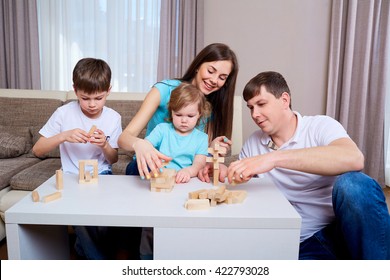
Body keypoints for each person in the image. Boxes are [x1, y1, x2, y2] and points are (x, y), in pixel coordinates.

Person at [226, 71, 390, 259]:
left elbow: (354, 158)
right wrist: (221, 170)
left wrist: (273, 158)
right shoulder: (254, 142)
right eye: (251, 108)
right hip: (303, 242)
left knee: (353, 183)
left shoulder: (320, 126)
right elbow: (240, 182)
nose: (255, 114)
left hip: (341, 229)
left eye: (261, 104)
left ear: (284, 100)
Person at [32, 58, 140, 259]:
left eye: (98, 98)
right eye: (85, 98)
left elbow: (114, 159)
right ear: (75, 91)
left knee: (106, 215)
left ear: (108, 90)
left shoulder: (113, 117)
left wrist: (104, 145)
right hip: (72, 175)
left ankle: (90, 250)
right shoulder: (63, 114)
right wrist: (63, 135)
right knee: (80, 214)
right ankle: (96, 261)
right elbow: (37, 150)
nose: (92, 104)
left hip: (102, 173)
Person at [118, 43, 238, 180]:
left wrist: (212, 147)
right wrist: (140, 144)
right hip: (152, 166)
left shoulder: (209, 105)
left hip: (182, 173)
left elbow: (200, 154)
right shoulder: (163, 90)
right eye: (211, 71)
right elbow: (123, 138)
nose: (214, 80)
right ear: (198, 66)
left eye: (222, 78)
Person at [146, 82, 211, 183]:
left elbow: (199, 164)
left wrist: (188, 172)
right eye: (179, 115)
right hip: (161, 175)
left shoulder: (201, 138)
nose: (184, 120)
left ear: (199, 114)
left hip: (185, 179)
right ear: (171, 112)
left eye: (190, 116)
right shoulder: (162, 129)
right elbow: (146, 145)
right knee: (134, 166)